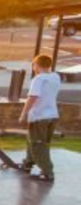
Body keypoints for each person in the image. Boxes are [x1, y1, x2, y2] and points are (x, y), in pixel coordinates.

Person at [19, 54, 60, 182]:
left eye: (34, 65)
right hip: (52, 116)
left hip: (39, 117)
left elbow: (32, 98)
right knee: (34, 140)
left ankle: (48, 172)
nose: (33, 67)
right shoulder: (55, 77)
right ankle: (27, 163)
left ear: (36, 65)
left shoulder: (38, 79)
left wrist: (23, 114)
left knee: (38, 144)